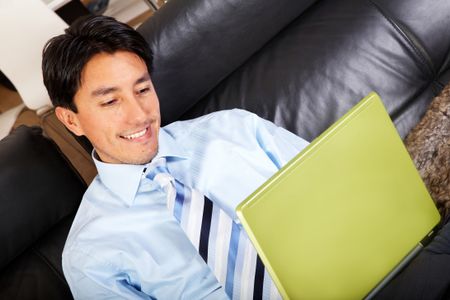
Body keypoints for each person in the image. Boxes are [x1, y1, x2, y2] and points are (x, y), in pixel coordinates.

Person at [42, 15, 309, 299]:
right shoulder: (89, 255)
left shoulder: (237, 129)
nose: (140, 115)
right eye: (110, 101)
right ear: (71, 121)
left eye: (143, 89)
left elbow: (340, 187)